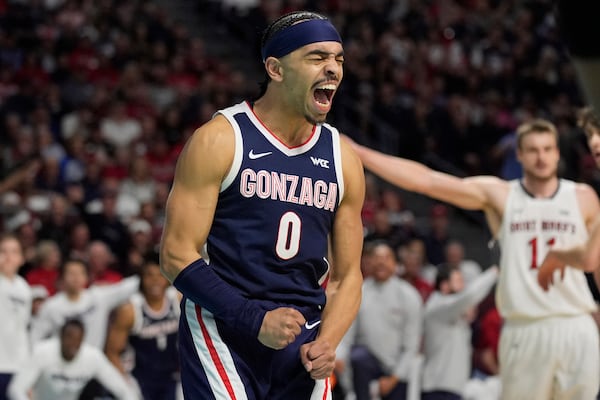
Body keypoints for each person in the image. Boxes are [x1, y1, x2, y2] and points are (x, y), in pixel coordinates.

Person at [159, 10, 365, 400]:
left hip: (301, 342)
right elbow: (174, 256)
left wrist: (329, 341)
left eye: (338, 59)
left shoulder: (343, 158)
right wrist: (254, 320)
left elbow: (348, 276)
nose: (333, 69)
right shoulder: (220, 139)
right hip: (225, 328)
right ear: (275, 68)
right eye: (317, 57)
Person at [347, 118, 600, 399]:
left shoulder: (583, 197)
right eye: (533, 150)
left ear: (557, 153)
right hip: (526, 326)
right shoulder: (500, 194)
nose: (541, 157)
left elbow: (596, 260)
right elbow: (427, 181)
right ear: (518, 154)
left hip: (576, 322)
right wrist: (360, 152)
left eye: (547, 149)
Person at [338, 241, 422, 400]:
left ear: (395, 263)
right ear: (369, 263)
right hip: (367, 364)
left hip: (396, 369)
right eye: (377, 257)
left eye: (386, 257)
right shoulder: (359, 292)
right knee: (357, 356)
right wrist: (339, 356)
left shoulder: (409, 296)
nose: (381, 261)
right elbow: (346, 334)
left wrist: (394, 378)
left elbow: (411, 346)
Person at [105, 257, 181, 400]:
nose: (155, 281)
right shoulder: (130, 310)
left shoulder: (177, 299)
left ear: (167, 277)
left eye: (160, 275)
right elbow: (112, 352)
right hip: (139, 378)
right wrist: (126, 383)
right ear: (142, 278)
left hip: (173, 376)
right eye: (149, 275)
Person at [7, 319, 136, 400]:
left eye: (78, 339)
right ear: (60, 337)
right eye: (69, 337)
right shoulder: (43, 351)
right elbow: (16, 389)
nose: (73, 344)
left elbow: (123, 389)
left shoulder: (92, 357)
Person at [421, 264, 498, 400]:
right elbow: (469, 297)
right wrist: (494, 272)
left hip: (454, 388)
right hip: (438, 388)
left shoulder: (455, 313)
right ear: (444, 286)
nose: (463, 286)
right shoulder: (438, 306)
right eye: (458, 281)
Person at [30, 258, 139, 349]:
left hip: (92, 365)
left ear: (86, 277)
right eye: (71, 273)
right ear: (62, 278)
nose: (76, 278)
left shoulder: (98, 297)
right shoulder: (51, 306)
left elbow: (128, 286)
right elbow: (35, 338)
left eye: (80, 273)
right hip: (60, 367)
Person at [0, 234, 32, 400]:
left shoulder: (24, 288)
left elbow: (24, 330)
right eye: (3, 251)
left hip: (18, 366)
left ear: (21, 258)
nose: (7, 257)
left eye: (13, 252)